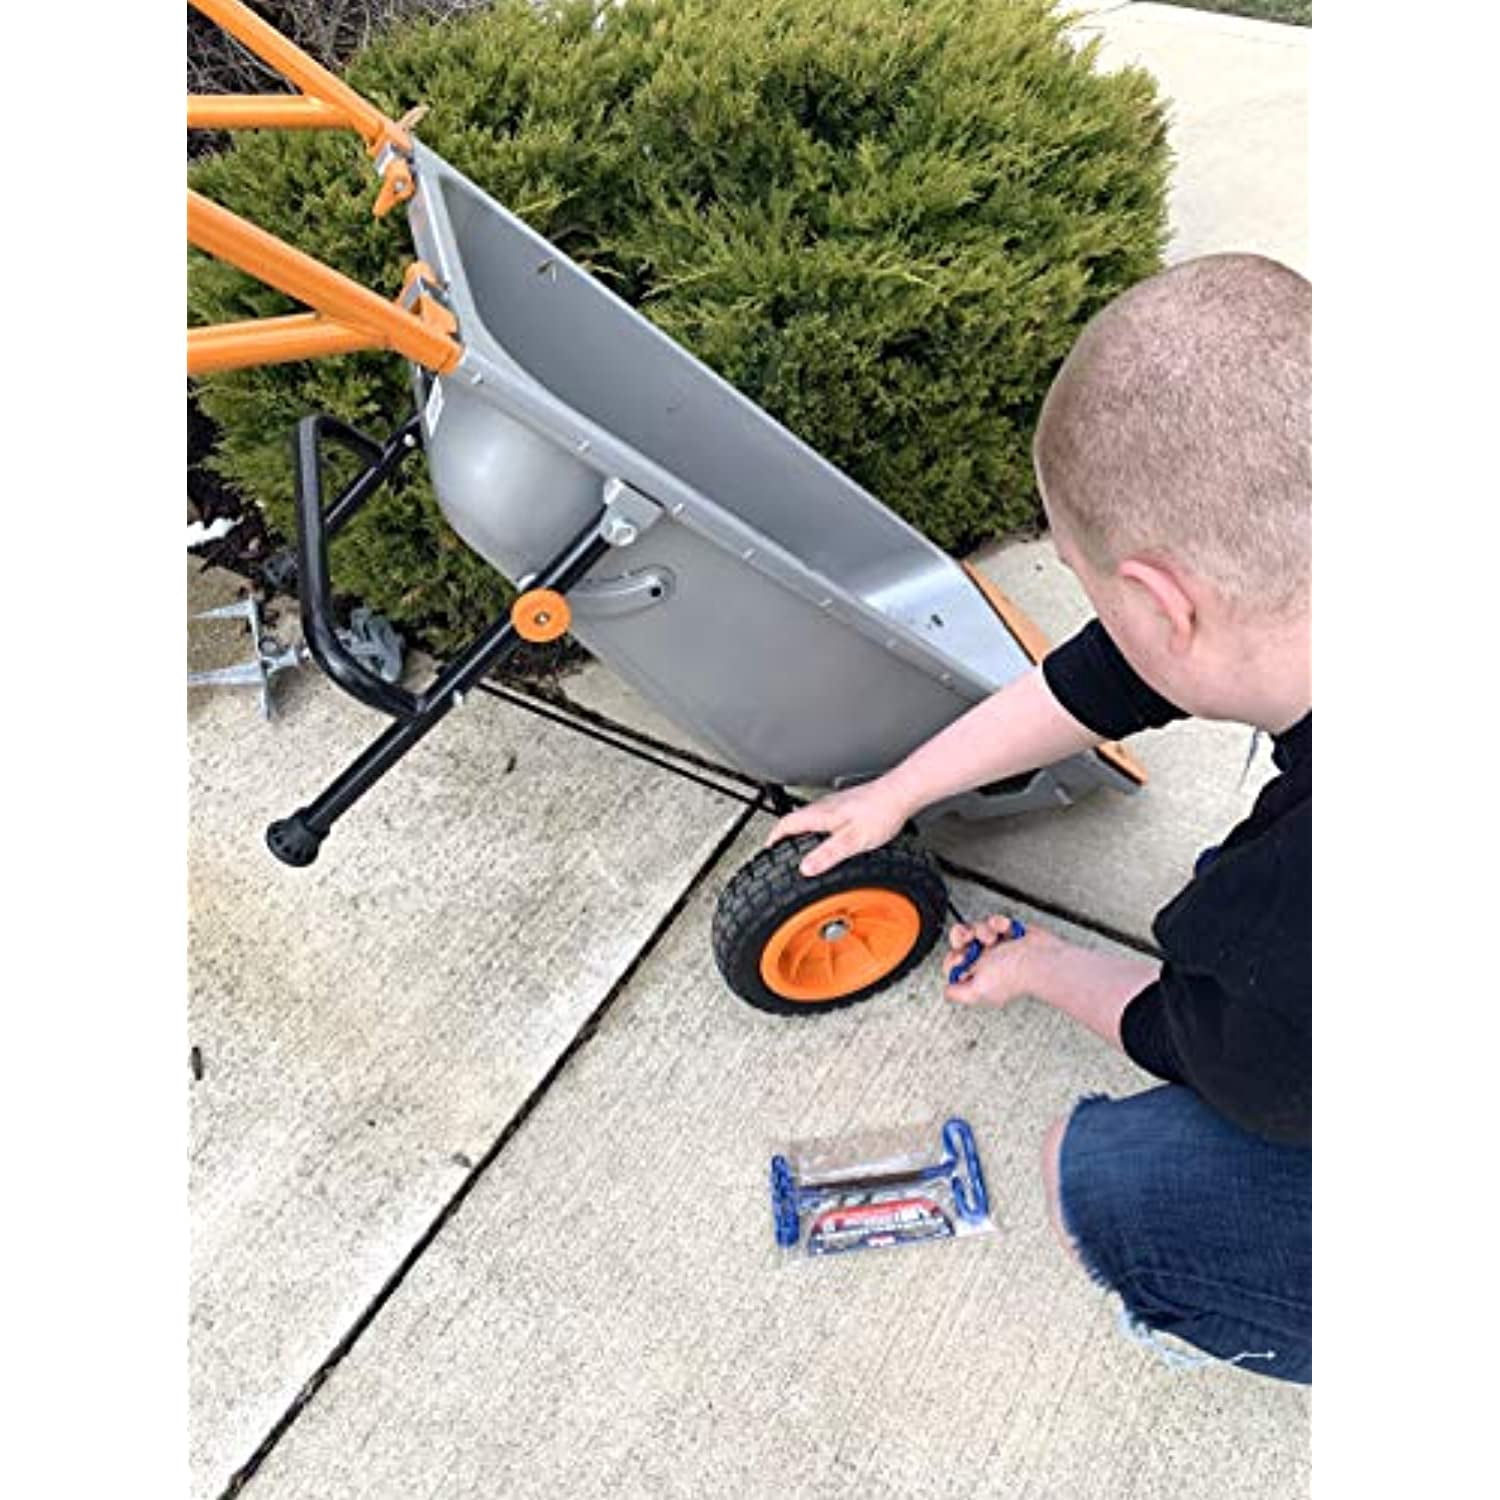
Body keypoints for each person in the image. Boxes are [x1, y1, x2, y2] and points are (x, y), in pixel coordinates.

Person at [768, 253, 1311, 1383]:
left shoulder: (1299, 918)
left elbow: (1212, 1046)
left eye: (1086, 581)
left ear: (1161, 602)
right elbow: (1114, 675)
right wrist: (897, 792)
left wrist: (1046, 967)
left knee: (1104, 1179)